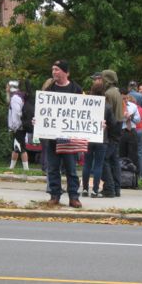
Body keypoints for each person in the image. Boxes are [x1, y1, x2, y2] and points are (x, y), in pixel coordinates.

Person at [43, 60, 83, 208]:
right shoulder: (49, 89)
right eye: (53, 69)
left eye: (57, 69)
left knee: (71, 169)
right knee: (53, 168)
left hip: (69, 139)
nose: (54, 72)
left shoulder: (76, 89)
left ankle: (74, 197)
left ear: (66, 72)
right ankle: (55, 195)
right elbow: (43, 110)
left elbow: (84, 112)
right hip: (52, 138)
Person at [82, 82, 112, 197]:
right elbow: (112, 122)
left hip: (88, 137)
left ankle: (85, 189)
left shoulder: (87, 104)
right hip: (102, 138)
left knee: (87, 164)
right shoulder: (107, 106)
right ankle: (95, 190)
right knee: (98, 165)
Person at [100, 70, 123, 198]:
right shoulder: (117, 92)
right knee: (114, 159)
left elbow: (107, 113)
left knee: (104, 159)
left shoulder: (108, 93)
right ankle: (116, 187)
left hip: (112, 127)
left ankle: (109, 187)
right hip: (118, 126)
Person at [7, 80, 29, 171]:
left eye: (8, 86)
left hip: (18, 127)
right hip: (20, 126)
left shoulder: (15, 98)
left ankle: (26, 169)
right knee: (16, 147)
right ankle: (11, 167)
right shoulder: (19, 96)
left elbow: (16, 113)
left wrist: (15, 127)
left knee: (21, 148)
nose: (6, 88)